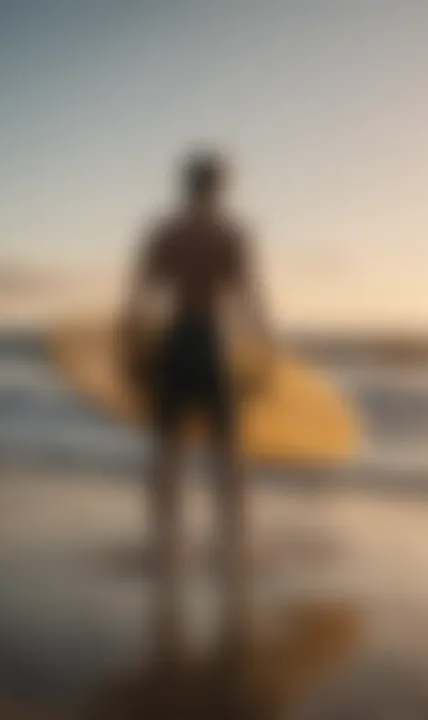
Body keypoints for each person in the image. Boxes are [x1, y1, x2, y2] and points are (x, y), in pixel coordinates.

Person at [118, 150, 272, 660]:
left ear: (185, 185)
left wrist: (128, 349)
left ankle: (166, 547)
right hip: (210, 343)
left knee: (168, 450)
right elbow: (249, 299)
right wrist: (267, 355)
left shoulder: (163, 232)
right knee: (228, 452)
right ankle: (234, 550)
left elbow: (139, 295)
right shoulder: (232, 236)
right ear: (220, 187)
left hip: (174, 341)